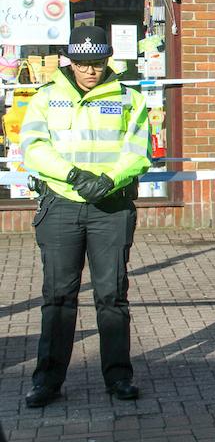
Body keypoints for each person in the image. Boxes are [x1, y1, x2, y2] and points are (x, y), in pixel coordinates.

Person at [19, 26, 151, 408]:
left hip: (110, 207)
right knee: (58, 296)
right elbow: (32, 148)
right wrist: (74, 176)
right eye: (82, 64)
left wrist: (109, 180)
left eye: (97, 63)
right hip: (61, 203)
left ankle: (119, 377)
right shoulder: (45, 98)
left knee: (112, 296)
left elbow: (139, 149)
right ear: (69, 62)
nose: (90, 71)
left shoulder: (129, 98)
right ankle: (47, 380)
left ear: (108, 60)